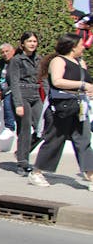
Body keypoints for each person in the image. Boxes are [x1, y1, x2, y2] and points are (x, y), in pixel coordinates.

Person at [28, 33, 93, 189]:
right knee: (55, 140)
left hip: (79, 106)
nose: (83, 47)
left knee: (84, 140)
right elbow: (57, 81)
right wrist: (82, 85)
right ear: (72, 47)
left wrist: (88, 88)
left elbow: (87, 81)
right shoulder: (58, 61)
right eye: (80, 44)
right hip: (61, 107)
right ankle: (36, 172)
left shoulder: (80, 62)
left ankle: (90, 174)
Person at [8, 32, 42, 175]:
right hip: (22, 94)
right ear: (22, 44)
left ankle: (21, 152)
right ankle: (23, 163)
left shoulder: (39, 59)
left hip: (35, 94)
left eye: (34, 41)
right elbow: (14, 82)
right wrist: (18, 104)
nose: (32, 44)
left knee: (43, 128)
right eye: (29, 41)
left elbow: (44, 80)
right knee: (25, 129)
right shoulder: (16, 60)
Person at [0, 43, 18, 138]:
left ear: (13, 51)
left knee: (8, 100)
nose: (4, 54)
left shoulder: (16, 62)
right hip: (1, 90)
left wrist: (3, 93)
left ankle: (9, 127)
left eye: (7, 51)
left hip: (11, 90)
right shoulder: (1, 63)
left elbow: (15, 82)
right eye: (2, 52)